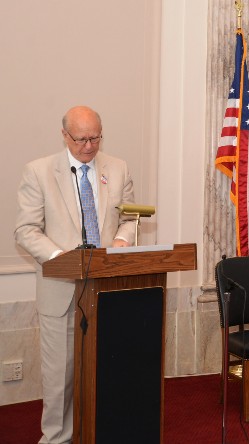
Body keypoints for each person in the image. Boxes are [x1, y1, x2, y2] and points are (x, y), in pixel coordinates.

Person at [14, 105, 136, 444]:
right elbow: (25, 231)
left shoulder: (118, 168)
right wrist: (61, 258)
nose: (89, 146)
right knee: (61, 376)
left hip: (106, 289)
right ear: (65, 136)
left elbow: (129, 216)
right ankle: (57, 439)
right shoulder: (38, 172)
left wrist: (122, 239)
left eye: (95, 137)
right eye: (81, 139)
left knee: (107, 370)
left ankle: (101, 432)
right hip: (61, 289)